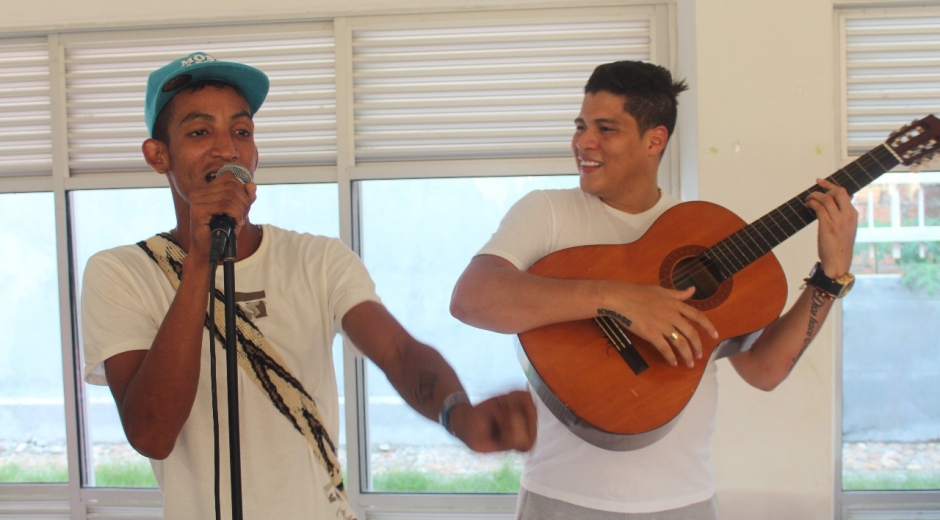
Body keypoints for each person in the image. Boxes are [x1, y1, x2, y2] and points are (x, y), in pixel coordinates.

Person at [80, 52, 536, 520]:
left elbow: (398, 352)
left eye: (241, 131)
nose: (227, 149)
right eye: (199, 132)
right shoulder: (120, 273)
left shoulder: (318, 259)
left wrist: (460, 416)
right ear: (158, 156)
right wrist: (200, 260)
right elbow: (151, 435)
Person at [449, 60, 858, 519]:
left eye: (606, 128)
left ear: (655, 140)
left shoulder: (702, 231)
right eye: (581, 126)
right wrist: (619, 297)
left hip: (683, 501)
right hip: (561, 499)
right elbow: (472, 298)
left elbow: (763, 371)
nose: (584, 142)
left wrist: (830, 275)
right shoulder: (547, 212)